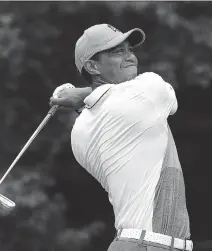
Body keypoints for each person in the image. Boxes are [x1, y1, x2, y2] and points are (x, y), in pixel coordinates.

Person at [50, 24, 193, 251]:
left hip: (136, 242)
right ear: (92, 66)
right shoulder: (145, 95)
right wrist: (83, 94)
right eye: (118, 52)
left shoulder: (80, 129)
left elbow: (105, 105)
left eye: (130, 50)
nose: (130, 57)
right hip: (148, 245)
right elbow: (167, 96)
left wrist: (83, 94)